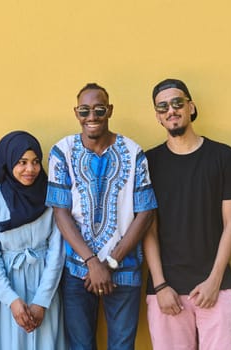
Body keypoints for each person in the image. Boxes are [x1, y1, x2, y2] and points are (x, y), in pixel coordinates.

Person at [46, 83, 156, 349]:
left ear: (110, 110)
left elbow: (146, 212)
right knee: (80, 345)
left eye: (99, 109)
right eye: (85, 111)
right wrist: (92, 263)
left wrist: (110, 262)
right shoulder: (63, 151)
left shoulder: (133, 152)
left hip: (124, 268)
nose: (92, 117)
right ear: (76, 113)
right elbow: (60, 212)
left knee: (122, 345)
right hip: (77, 270)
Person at [143, 79, 231, 350]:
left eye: (178, 103)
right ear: (157, 116)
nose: (171, 110)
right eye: (163, 106)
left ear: (191, 107)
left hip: (217, 284)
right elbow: (148, 229)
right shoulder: (149, 162)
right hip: (166, 290)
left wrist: (214, 281)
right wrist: (160, 285)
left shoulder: (223, 157)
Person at [0, 130, 66, 349]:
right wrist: (13, 301)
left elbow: (57, 252)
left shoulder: (51, 196)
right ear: (8, 163)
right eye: (22, 162)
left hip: (45, 284)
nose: (30, 169)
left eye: (35, 162)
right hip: (6, 290)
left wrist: (41, 302)